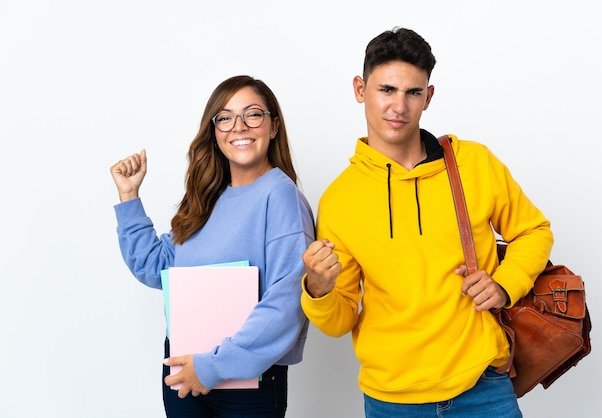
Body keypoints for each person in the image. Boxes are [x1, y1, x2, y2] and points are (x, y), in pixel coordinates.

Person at [300, 27, 554, 417]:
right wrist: (317, 291)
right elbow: (340, 320)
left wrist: (505, 284)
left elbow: (533, 230)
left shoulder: (474, 163)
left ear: (428, 97)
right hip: (391, 400)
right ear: (359, 89)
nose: (398, 107)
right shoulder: (339, 200)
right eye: (386, 90)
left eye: (413, 92)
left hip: (483, 387)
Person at [110, 75, 315, 417]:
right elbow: (156, 269)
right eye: (225, 117)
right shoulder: (205, 198)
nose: (239, 126)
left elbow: (286, 301)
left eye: (253, 114)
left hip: (247, 383)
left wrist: (211, 368)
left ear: (273, 125)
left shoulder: (280, 196)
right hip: (184, 372)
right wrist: (129, 195)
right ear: (214, 130)